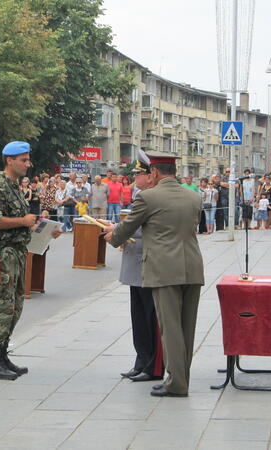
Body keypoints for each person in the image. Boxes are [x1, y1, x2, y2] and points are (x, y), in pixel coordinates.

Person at [104, 151, 204, 397]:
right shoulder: (194, 197)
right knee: (186, 328)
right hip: (192, 267)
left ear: (155, 173)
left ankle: (177, 384)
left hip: (163, 270)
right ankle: (181, 378)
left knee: (169, 329)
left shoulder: (148, 197)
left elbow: (127, 228)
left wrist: (111, 236)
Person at [0, 141, 61, 380]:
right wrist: (25, 222)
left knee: (15, 307)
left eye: (28, 159)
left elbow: (23, 221)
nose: (28, 164)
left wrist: (44, 230)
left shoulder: (14, 186)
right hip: (3, 254)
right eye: (23, 160)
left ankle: (3, 355)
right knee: (3, 307)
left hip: (17, 252)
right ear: (9, 160)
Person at [118, 158, 164, 383]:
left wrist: (116, 231)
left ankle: (150, 364)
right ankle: (141, 360)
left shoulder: (152, 197)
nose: (135, 178)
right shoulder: (140, 196)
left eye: (138, 174)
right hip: (135, 263)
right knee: (138, 316)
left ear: (150, 176)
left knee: (149, 317)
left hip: (147, 264)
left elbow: (145, 230)